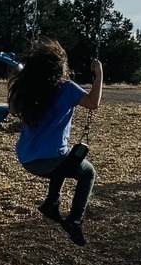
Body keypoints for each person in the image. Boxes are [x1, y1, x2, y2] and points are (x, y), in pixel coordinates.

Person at [7, 37, 103, 246]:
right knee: (87, 172)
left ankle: (52, 203)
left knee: (65, 157)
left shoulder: (29, 87)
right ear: (60, 67)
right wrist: (99, 75)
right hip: (51, 160)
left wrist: (19, 81)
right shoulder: (67, 88)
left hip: (26, 159)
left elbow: (13, 110)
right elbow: (93, 103)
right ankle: (75, 220)